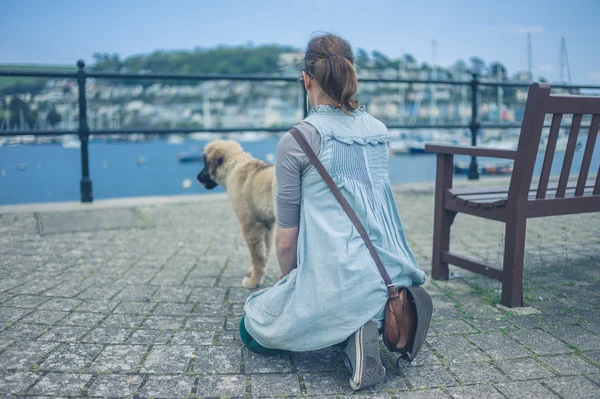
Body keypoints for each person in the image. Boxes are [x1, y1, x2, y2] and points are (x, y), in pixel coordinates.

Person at [240, 33, 427, 390]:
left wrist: (291, 282)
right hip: (392, 274)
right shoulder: (378, 131)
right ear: (350, 73)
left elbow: (285, 237)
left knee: (250, 329)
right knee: (351, 300)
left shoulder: (298, 140)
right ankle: (366, 325)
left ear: (306, 80)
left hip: (340, 276)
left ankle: (348, 328)